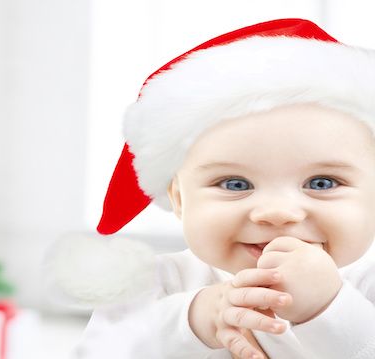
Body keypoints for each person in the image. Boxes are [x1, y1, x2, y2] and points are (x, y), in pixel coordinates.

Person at [58, 18, 375, 358]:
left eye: (321, 183)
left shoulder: (367, 283)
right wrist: (194, 319)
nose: (277, 211)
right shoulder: (156, 283)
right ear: (178, 198)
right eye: (236, 184)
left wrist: (329, 309)